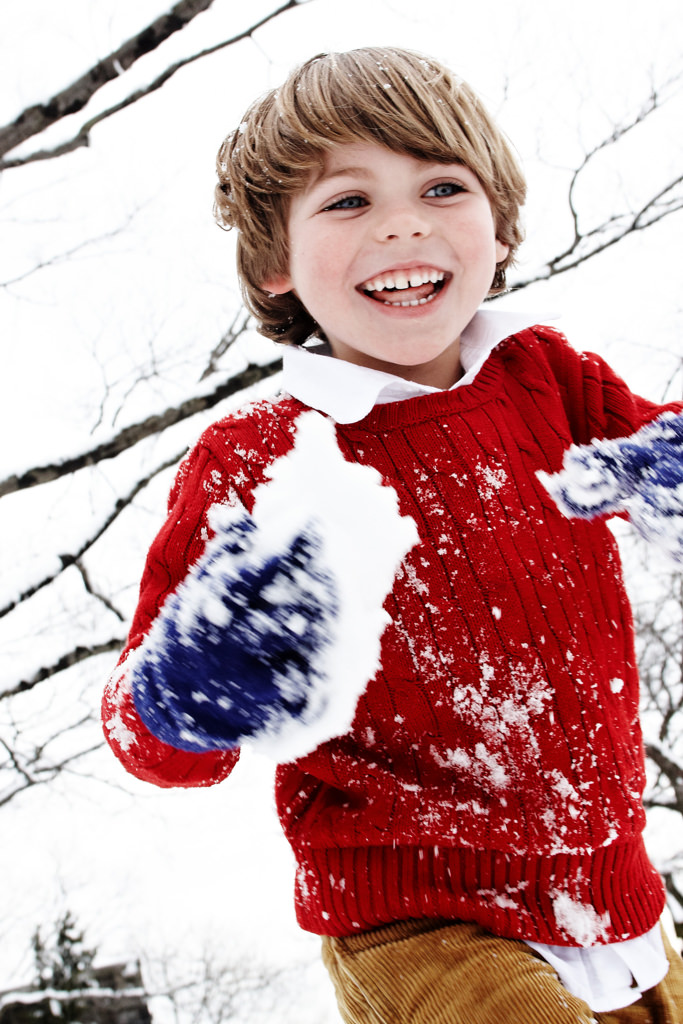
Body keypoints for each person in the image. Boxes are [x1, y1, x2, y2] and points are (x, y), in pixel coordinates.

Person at [102, 47, 683, 1023]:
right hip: (416, 917)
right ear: (276, 260)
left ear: (496, 231)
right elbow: (143, 738)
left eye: (439, 185)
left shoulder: (543, 377)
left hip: (616, 889)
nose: (403, 221)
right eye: (347, 201)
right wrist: (188, 690)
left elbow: (658, 463)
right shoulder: (260, 462)